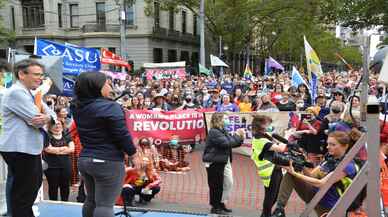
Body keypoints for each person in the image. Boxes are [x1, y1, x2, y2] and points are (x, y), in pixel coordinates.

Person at [71, 72, 137, 217]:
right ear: (97, 87)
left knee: (91, 200)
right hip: (108, 161)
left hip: (86, 159)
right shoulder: (110, 107)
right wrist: (133, 153)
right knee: (105, 205)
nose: (110, 87)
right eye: (106, 83)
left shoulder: (76, 106)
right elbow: (122, 134)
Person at [0, 59, 56, 217]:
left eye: (41, 75)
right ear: (21, 75)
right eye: (36, 75)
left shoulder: (32, 94)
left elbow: (51, 115)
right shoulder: (17, 92)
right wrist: (48, 118)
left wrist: (48, 118)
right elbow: (36, 120)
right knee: (24, 192)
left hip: (27, 148)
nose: (40, 78)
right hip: (19, 148)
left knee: (30, 187)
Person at [271, 131, 358, 217]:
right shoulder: (329, 159)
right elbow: (312, 176)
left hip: (329, 205)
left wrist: (295, 173)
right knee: (291, 174)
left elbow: (321, 184)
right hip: (315, 195)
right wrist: (301, 163)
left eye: (332, 144)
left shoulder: (348, 165)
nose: (328, 147)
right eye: (328, 144)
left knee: (293, 173)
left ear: (345, 146)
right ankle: (279, 210)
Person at [202, 112, 245, 215]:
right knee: (216, 185)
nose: (228, 120)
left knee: (228, 183)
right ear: (218, 120)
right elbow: (226, 143)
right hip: (214, 161)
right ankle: (215, 206)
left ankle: (221, 203)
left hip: (224, 161)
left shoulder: (223, 131)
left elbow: (233, 142)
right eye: (225, 118)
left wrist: (240, 137)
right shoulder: (214, 132)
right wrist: (237, 135)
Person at [250, 115, 287, 217]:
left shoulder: (264, 136)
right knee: (270, 196)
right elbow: (281, 148)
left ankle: (265, 214)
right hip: (270, 171)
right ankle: (266, 215)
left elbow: (277, 143)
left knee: (275, 195)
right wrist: (288, 139)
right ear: (261, 125)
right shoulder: (261, 140)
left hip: (275, 169)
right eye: (268, 124)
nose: (270, 126)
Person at [43, 121, 74, 201]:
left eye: (59, 124)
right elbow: (48, 149)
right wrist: (63, 148)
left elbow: (72, 149)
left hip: (66, 166)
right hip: (51, 167)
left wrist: (56, 150)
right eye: (54, 124)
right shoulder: (47, 136)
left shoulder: (66, 135)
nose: (57, 126)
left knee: (65, 186)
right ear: (50, 126)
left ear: (62, 125)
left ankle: (65, 203)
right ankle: (53, 205)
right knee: (53, 187)